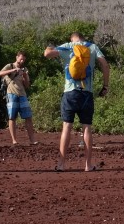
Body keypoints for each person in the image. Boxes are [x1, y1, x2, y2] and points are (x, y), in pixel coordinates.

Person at [44, 32, 110, 171]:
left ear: (72, 38)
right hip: (86, 93)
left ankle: (61, 164)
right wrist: (105, 85)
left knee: (67, 127)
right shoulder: (92, 47)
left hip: (70, 93)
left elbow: (47, 54)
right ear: (83, 37)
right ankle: (88, 165)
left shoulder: (68, 46)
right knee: (87, 128)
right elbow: (104, 64)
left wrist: (50, 46)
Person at [0, 51, 38, 146]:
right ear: (17, 57)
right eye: (21, 59)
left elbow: (27, 85)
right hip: (11, 94)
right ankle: (14, 140)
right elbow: (0, 73)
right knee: (12, 117)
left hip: (22, 94)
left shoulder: (25, 69)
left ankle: (32, 140)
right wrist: (13, 71)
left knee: (28, 117)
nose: (22, 61)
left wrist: (25, 76)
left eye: (24, 59)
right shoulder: (10, 66)